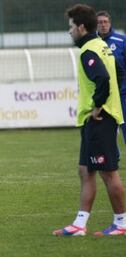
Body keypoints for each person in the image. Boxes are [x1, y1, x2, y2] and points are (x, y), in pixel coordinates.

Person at [53, 4, 126, 236]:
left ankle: (121, 223)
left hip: (100, 119)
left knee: (108, 172)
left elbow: (103, 79)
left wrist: (98, 107)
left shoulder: (89, 51)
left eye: (71, 27)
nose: (70, 31)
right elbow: (119, 72)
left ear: (81, 27)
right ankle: (80, 224)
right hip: (95, 119)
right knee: (85, 170)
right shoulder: (102, 46)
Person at [96, 10, 126, 143]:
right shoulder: (93, 43)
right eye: (100, 22)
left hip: (123, 93)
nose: (103, 25)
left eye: (105, 22)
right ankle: (114, 159)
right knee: (107, 130)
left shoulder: (121, 40)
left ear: (110, 23)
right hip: (105, 96)